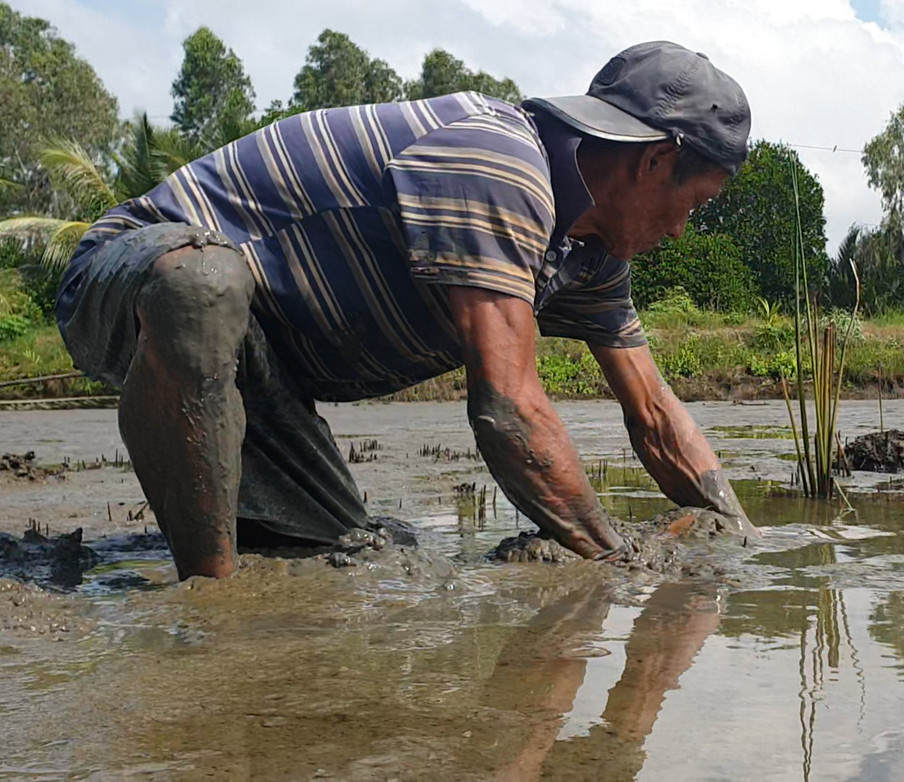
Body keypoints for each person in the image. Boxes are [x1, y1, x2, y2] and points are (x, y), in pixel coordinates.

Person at [55, 41, 758, 579]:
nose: (680, 231)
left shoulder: (587, 255)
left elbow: (657, 416)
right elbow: (509, 408)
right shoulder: (501, 161)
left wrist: (739, 536)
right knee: (201, 287)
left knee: (336, 549)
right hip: (135, 278)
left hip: (265, 369)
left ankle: (239, 563)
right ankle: (209, 600)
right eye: (693, 206)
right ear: (656, 162)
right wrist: (616, 563)